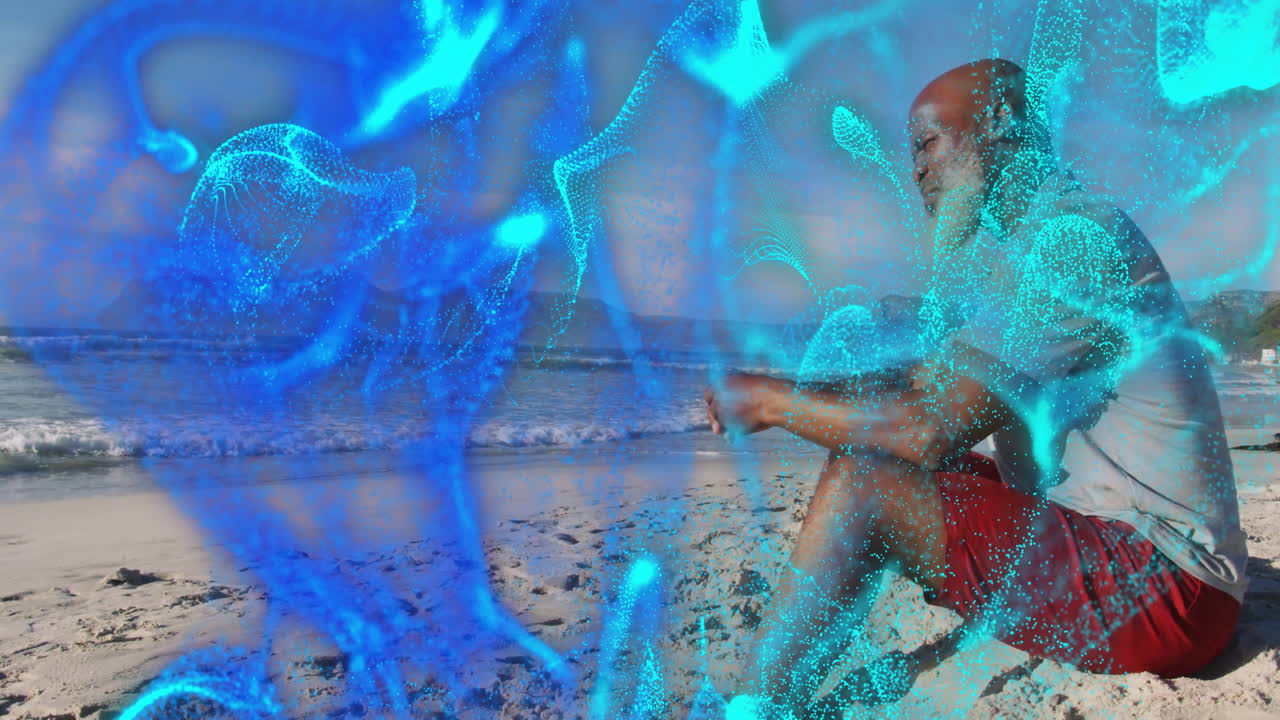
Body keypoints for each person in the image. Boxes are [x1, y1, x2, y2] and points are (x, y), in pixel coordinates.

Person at [704, 58, 1247, 719]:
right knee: (873, 453)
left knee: (867, 481)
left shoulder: (1074, 242)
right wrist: (786, 388)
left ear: (998, 120)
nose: (917, 172)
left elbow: (925, 427)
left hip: (1168, 589)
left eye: (927, 142)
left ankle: (758, 708)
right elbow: (916, 387)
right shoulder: (1034, 248)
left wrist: (768, 402)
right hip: (1124, 551)